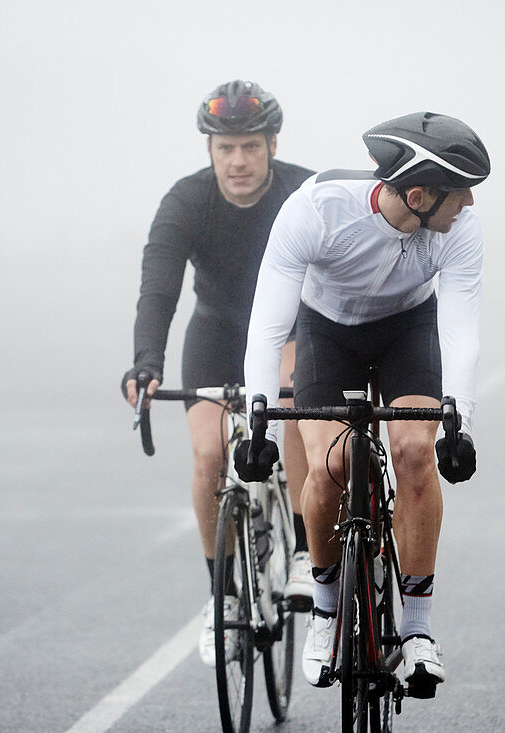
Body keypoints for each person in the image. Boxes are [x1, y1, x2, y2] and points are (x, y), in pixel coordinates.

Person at [237, 111, 489, 697]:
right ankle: (326, 611)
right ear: (420, 195)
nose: (470, 203)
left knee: (414, 450)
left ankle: (419, 631)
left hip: (409, 331)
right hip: (328, 332)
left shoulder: (459, 230)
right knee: (330, 465)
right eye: (461, 191)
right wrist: (260, 428)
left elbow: (459, 333)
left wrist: (460, 423)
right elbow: (267, 328)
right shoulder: (316, 209)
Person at [121, 80, 314, 667]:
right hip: (217, 332)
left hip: (288, 330)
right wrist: (146, 362)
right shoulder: (185, 201)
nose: (237, 161)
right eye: (225, 147)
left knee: (295, 414)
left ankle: (305, 549)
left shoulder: (303, 192)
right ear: (209, 149)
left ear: (272, 146)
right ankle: (221, 597)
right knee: (209, 456)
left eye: (250, 147)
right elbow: (158, 290)